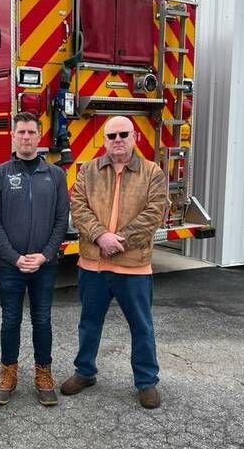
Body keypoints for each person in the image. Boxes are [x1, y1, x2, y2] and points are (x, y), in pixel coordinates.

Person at [60, 116, 168, 409]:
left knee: (142, 327)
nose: (117, 140)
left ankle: (146, 382)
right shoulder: (88, 171)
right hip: (92, 265)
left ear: (135, 137)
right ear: (104, 141)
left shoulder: (152, 172)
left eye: (123, 134)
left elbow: (154, 213)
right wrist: (99, 237)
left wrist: (116, 240)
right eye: (111, 136)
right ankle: (85, 372)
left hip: (133, 267)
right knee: (89, 324)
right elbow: (78, 208)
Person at [0, 112, 69, 406]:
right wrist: (14, 257)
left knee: (42, 320)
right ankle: (8, 373)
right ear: (13, 135)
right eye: (21, 132)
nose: (26, 138)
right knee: (10, 320)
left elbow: (61, 221)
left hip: (44, 267)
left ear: (40, 136)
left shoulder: (55, 176)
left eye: (31, 132)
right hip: (10, 266)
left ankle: (43, 373)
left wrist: (45, 256)